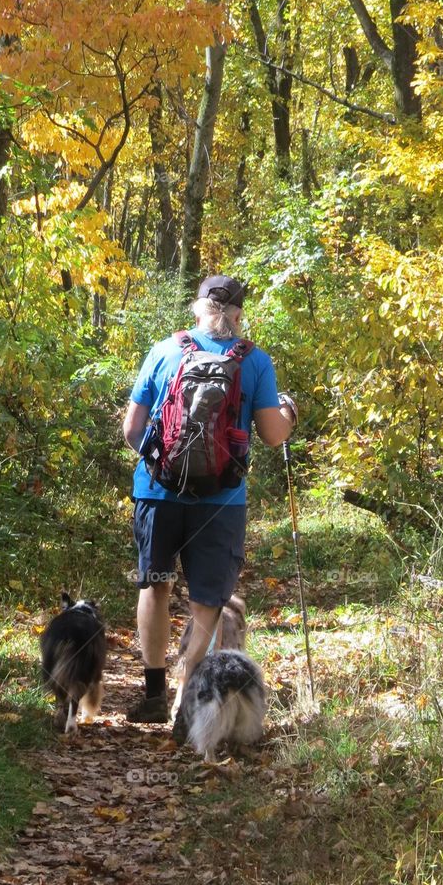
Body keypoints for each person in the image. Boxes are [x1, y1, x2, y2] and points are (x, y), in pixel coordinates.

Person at [122, 274, 296, 723]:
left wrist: (162, 467)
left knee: (156, 584)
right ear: (238, 315)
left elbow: (131, 431)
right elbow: (274, 435)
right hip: (221, 500)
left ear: (196, 309)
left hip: (157, 494)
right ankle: (186, 690)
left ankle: (154, 693)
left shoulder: (164, 351)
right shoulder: (254, 361)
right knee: (206, 599)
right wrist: (288, 412)